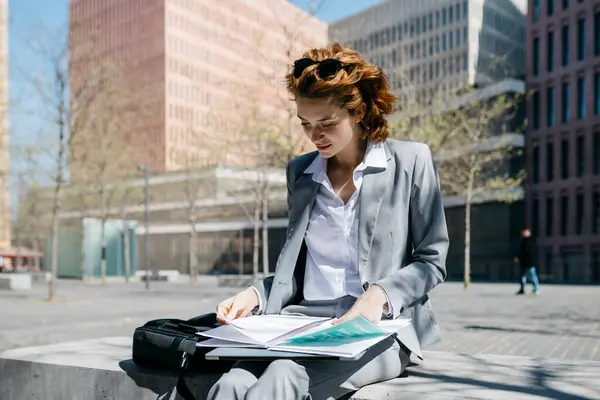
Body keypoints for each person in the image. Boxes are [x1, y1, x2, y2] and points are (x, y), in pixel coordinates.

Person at [207, 43, 449, 400]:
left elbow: (432, 260)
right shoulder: (300, 173)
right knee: (230, 384)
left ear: (360, 111)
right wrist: (255, 294)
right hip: (299, 321)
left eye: (327, 123)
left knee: (283, 377)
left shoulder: (410, 161)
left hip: (376, 327)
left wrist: (379, 296)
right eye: (306, 124)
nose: (315, 135)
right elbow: (301, 269)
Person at [514, 228, 540, 295]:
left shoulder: (531, 241)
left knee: (532, 276)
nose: (523, 234)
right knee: (522, 276)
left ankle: (536, 289)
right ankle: (522, 289)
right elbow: (521, 252)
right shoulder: (523, 241)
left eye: (525, 232)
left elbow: (531, 252)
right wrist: (519, 257)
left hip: (530, 262)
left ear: (528, 233)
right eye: (523, 232)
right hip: (524, 262)